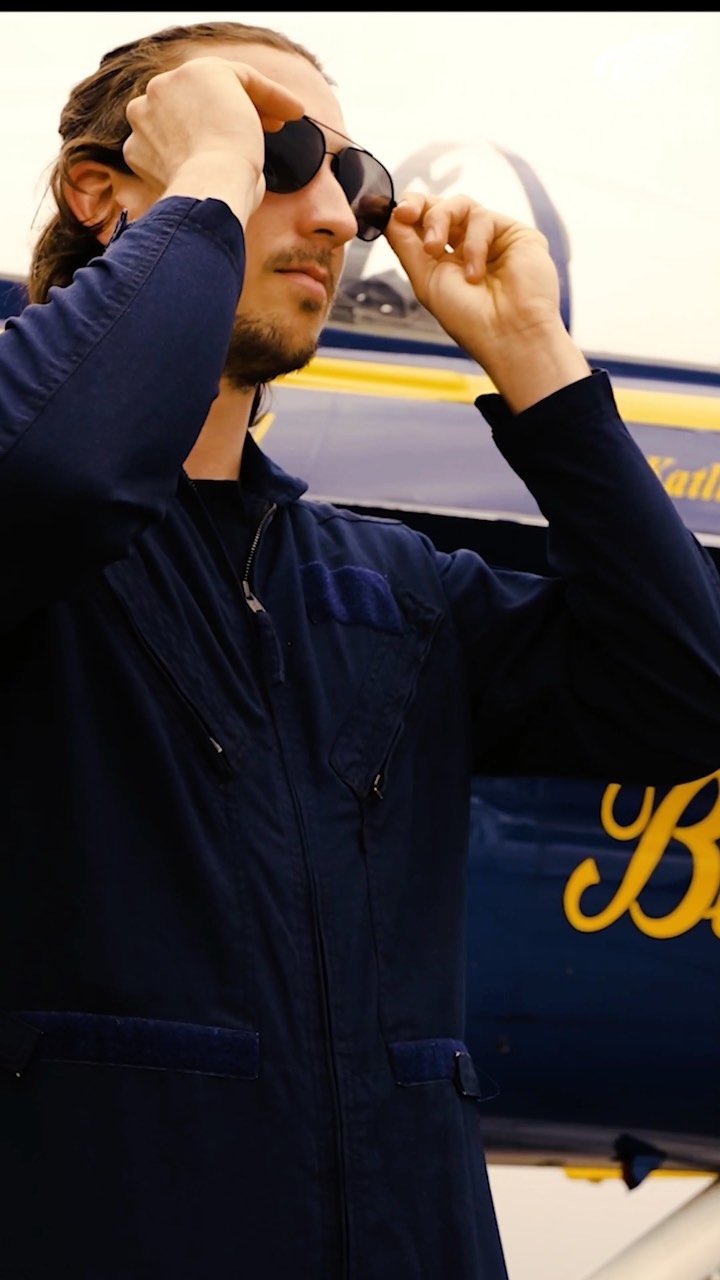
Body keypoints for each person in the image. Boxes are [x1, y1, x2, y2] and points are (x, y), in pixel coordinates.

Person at [1, 18, 718, 1280]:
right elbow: (58, 471)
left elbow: (687, 690)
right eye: (279, 152)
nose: (336, 215)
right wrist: (211, 178)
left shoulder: (391, 589)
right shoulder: (39, 527)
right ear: (101, 192)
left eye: (355, 177)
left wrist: (534, 357)